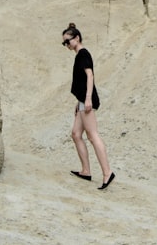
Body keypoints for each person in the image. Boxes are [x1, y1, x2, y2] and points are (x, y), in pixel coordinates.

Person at [62, 22, 114, 189]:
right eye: (64, 43)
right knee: (76, 134)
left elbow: (89, 76)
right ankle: (86, 171)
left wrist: (88, 99)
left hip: (87, 100)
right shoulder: (79, 55)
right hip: (82, 100)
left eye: (67, 41)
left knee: (92, 135)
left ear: (76, 38)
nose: (66, 45)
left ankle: (107, 173)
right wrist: (79, 102)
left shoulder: (83, 54)